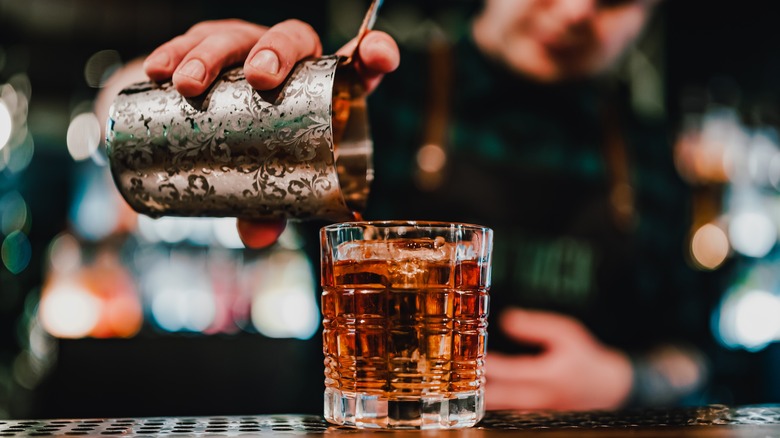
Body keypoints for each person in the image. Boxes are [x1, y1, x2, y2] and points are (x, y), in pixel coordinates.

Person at [123, 0, 713, 411]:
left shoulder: (649, 151)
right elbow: (113, 121)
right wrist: (225, 101)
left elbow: (697, 353)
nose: (577, 8)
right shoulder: (375, 95)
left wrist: (626, 382)